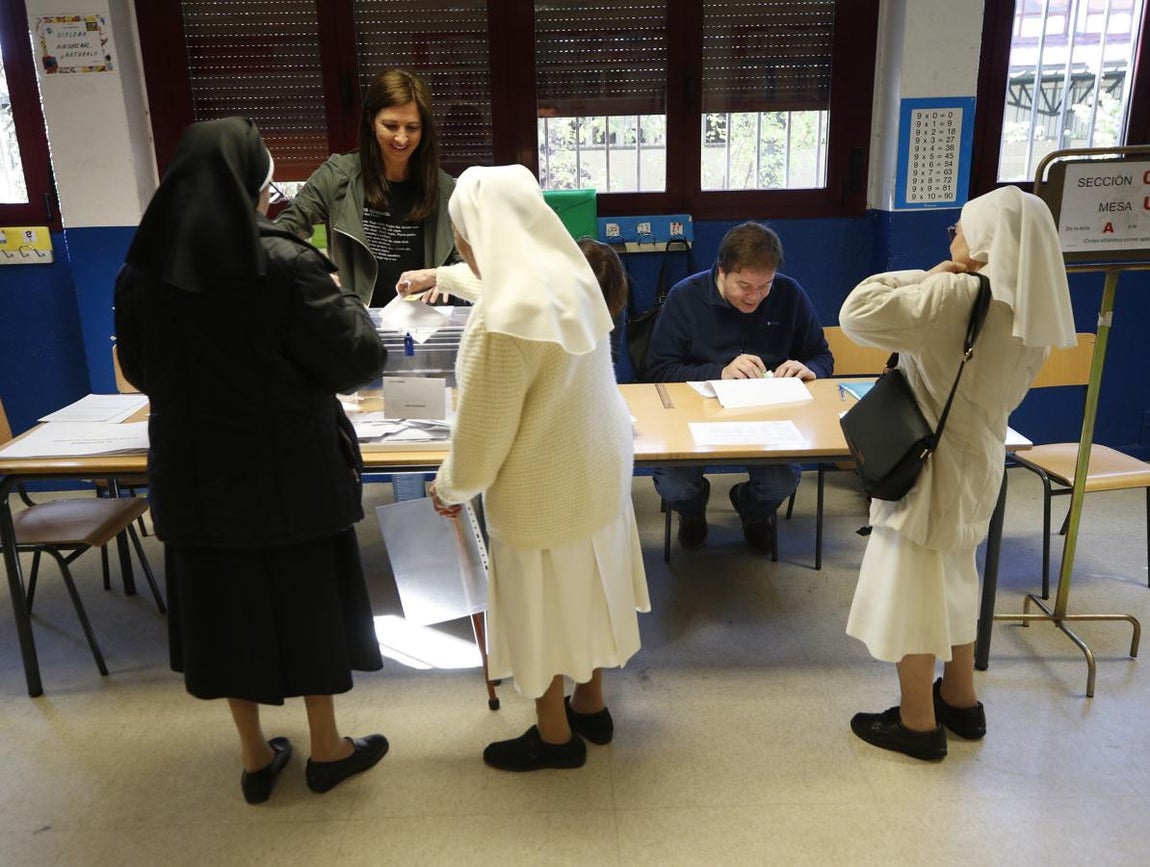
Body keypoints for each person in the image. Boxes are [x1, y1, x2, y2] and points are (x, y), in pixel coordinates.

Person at [114, 117, 391, 802]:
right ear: (255, 184)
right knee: (311, 607)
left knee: (223, 616)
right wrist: (349, 298)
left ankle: (254, 755)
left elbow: (143, 370)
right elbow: (357, 361)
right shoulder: (288, 261)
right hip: (293, 476)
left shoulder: (141, 271)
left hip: (195, 484)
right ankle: (327, 749)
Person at [421, 164, 650, 771]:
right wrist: (439, 276)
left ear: (477, 232)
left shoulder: (499, 321)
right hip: (599, 470)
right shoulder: (571, 275)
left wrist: (449, 487)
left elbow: (480, 439)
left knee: (543, 611)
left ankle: (554, 738)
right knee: (590, 591)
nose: (462, 247)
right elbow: (490, 279)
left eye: (460, 235)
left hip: (541, 488)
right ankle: (592, 707)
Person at [839, 185, 1076, 761]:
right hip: (980, 464)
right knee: (955, 581)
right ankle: (961, 700)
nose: (955, 237)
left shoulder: (954, 295)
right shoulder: (1032, 307)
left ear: (989, 238)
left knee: (914, 593)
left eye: (961, 228)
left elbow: (856, 313)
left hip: (927, 469)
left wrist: (927, 274)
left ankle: (919, 723)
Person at [645, 222, 833, 553]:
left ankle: (752, 512)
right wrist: (719, 372)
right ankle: (692, 512)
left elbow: (821, 355)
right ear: (722, 271)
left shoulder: (789, 294)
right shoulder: (685, 297)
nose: (755, 296)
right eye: (744, 286)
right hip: (693, 416)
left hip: (770, 416)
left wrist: (809, 368)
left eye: (765, 286)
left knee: (783, 479)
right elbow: (659, 369)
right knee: (674, 484)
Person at [276, 67, 460, 308]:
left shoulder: (444, 189)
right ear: (371, 122)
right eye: (391, 126)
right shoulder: (338, 176)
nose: (402, 138)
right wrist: (312, 274)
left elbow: (473, 266)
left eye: (412, 128)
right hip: (357, 325)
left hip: (425, 330)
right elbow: (281, 234)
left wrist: (446, 280)